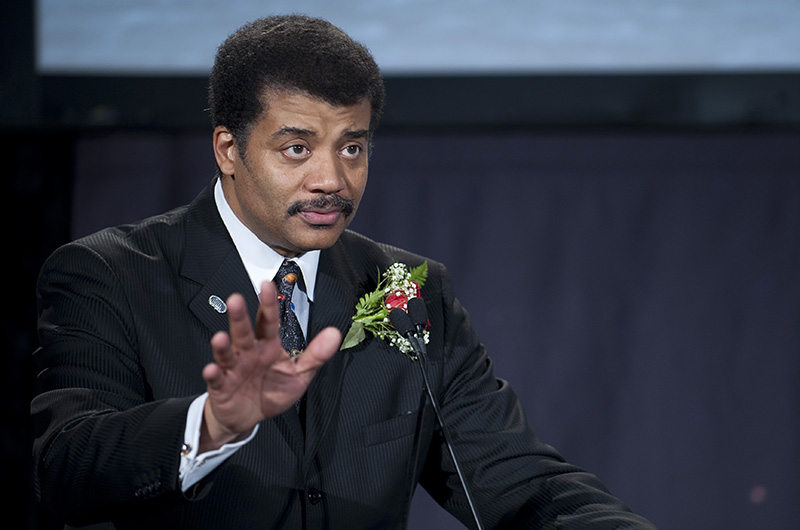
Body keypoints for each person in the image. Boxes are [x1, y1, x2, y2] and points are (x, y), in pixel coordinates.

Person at [31, 14, 657, 530]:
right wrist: (213, 424)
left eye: (352, 147)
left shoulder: (408, 291)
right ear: (228, 149)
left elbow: (517, 482)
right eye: (296, 149)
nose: (331, 179)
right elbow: (67, 467)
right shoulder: (109, 275)